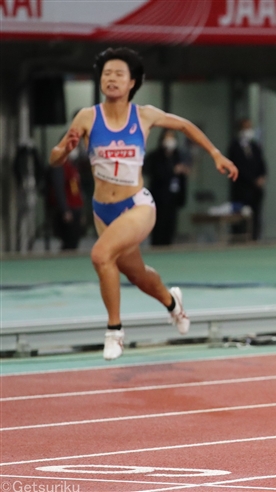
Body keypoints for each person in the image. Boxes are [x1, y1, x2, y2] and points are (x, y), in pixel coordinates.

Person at [49, 47, 238, 360]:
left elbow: (185, 126)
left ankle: (115, 331)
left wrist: (215, 154)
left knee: (100, 255)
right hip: (103, 211)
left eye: (118, 74)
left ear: (132, 82)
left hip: (137, 206)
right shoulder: (87, 117)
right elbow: (55, 158)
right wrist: (64, 149)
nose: (111, 79)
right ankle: (172, 303)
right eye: (106, 74)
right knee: (136, 275)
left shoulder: (144, 115)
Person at [144, 129, 190, 246]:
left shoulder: (178, 156)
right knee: (159, 224)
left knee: (171, 224)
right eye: (167, 138)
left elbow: (184, 176)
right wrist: (172, 171)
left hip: (173, 197)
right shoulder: (155, 156)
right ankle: (156, 246)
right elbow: (151, 172)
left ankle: (168, 245)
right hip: (159, 196)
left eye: (172, 137)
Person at [228, 118, 267, 241]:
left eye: (249, 127)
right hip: (241, 188)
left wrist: (261, 177)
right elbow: (237, 167)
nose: (248, 130)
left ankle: (254, 239)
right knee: (239, 217)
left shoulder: (255, 146)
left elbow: (262, 164)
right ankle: (238, 240)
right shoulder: (234, 147)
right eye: (245, 128)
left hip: (255, 190)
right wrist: (252, 180)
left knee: (255, 216)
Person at [48, 142, 85, 251]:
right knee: (68, 242)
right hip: (69, 210)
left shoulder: (73, 166)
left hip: (76, 208)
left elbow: (77, 189)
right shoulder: (59, 165)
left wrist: (81, 211)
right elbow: (59, 189)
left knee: (75, 241)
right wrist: (64, 210)